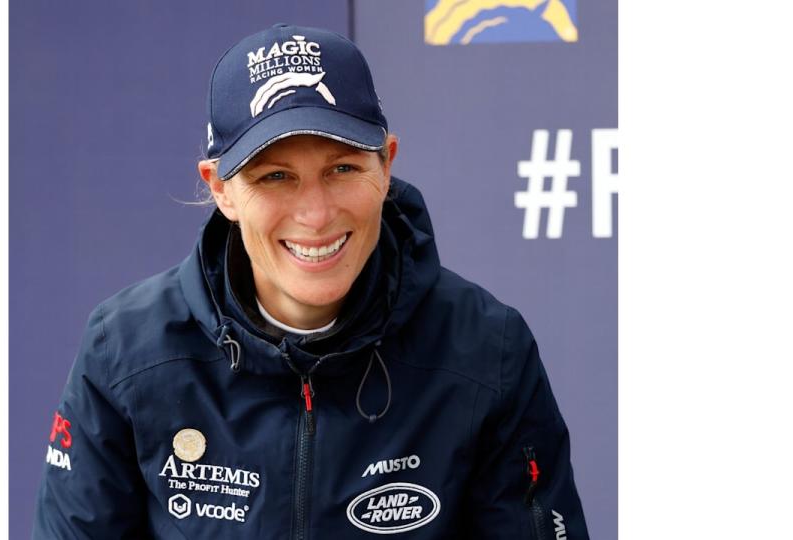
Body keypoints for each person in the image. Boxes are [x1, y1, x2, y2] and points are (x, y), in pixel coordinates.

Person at [32, 23, 589, 539]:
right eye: (276, 176)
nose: (316, 214)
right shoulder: (126, 352)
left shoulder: (487, 351)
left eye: (342, 168)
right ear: (220, 187)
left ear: (386, 164)